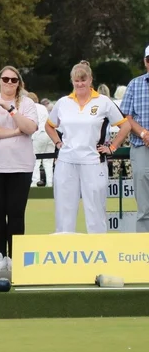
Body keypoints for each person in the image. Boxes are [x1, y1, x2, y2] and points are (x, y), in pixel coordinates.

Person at [45, 61, 128, 234]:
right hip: (66, 162)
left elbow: (125, 126)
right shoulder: (63, 102)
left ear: (90, 79)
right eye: (76, 80)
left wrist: (112, 147)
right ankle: (64, 252)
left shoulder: (104, 102)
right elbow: (49, 125)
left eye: (83, 80)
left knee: (95, 211)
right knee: (64, 211)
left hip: (93, 162)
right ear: (72, 81)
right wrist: (58, 144)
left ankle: (99, 254)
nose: (80, 84)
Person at [0, 66, 39, 273]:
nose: (10, 83)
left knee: (16, 213)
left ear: (19, 83)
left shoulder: (28, 103)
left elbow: (30, 128)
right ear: (0, 80)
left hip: (20, 165)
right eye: (6, 79)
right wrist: (14, 131)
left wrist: (11, 110)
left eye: (14, 80)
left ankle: (15, 255)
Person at [116, 45, 149, 232]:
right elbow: (125, 116)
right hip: (141, 148)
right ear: (145, 61)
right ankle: (145, 252)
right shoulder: (135, 84)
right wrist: (144, 133)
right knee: (144, 207)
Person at [27, 91, 54, 187]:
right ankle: (50, 182)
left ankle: (35, 182)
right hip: (49, 134)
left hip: (38, 134)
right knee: (48, 160)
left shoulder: (30, 108)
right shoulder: (43, 107)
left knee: (35, 159)